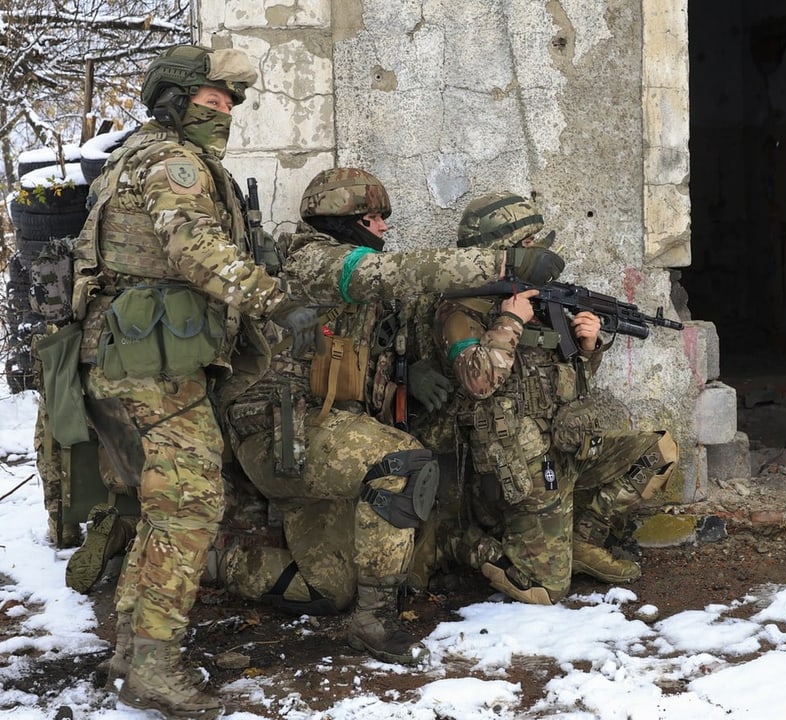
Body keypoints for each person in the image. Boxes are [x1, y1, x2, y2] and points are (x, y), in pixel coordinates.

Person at [213, 167, 565, 665]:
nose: (383, 227)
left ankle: (214, 563)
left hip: (325, 433)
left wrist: (413, 372)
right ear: (343, 221)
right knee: (404, 464)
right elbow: (397, 273)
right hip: (282, 432)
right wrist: (506, 262)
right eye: (373, 218)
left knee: (332, 588)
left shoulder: (355, 286)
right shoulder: (316, 261)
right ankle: (373, 621)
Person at [68, 45, 316, 719]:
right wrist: (274, 300)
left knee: (167, 506)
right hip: (151, 366)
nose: (226, 113)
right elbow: (193, 249)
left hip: (139, 357)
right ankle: (151, 665)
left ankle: (132, 650)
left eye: (232, 104)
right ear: (177, 100)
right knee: (191, 504)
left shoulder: (135, 156)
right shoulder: (174, 164)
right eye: (213, 101)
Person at [433, 191, 684, 605]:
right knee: (545, 591)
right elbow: (478, 382)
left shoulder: (541, 299)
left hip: (565, 449)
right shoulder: (462, 310)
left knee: (659, 451)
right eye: (528, 245)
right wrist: (511, 319)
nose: (540, 254)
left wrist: (587, 349)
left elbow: (565, 385)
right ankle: (458, 541)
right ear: (501, 251)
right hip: (517, 467)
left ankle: (583, 542)